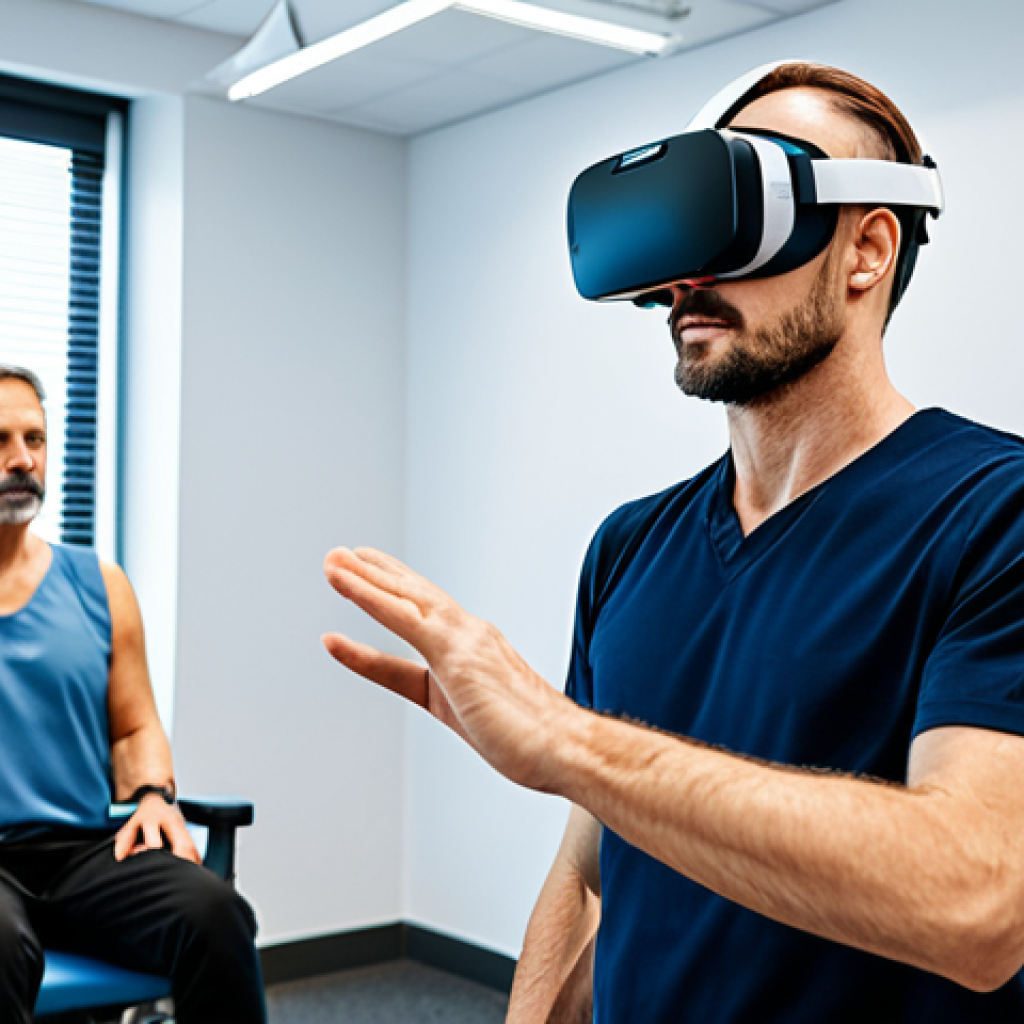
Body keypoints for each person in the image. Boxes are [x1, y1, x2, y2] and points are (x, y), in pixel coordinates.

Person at [322, 62, 1024, 1023]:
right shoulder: (629, 547)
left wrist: (567, 738)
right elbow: (590, 874)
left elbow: (979, 902)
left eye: (740, 212)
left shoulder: (994, 515)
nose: (692, 276)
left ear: (866, 248)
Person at [0, 365, 266, 1023]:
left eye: (35, 439)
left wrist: (152, 794)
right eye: (1, 440)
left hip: (85, 853)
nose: (22, 459)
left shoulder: (100, 583)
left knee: (215, 914)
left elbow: (134, 727)